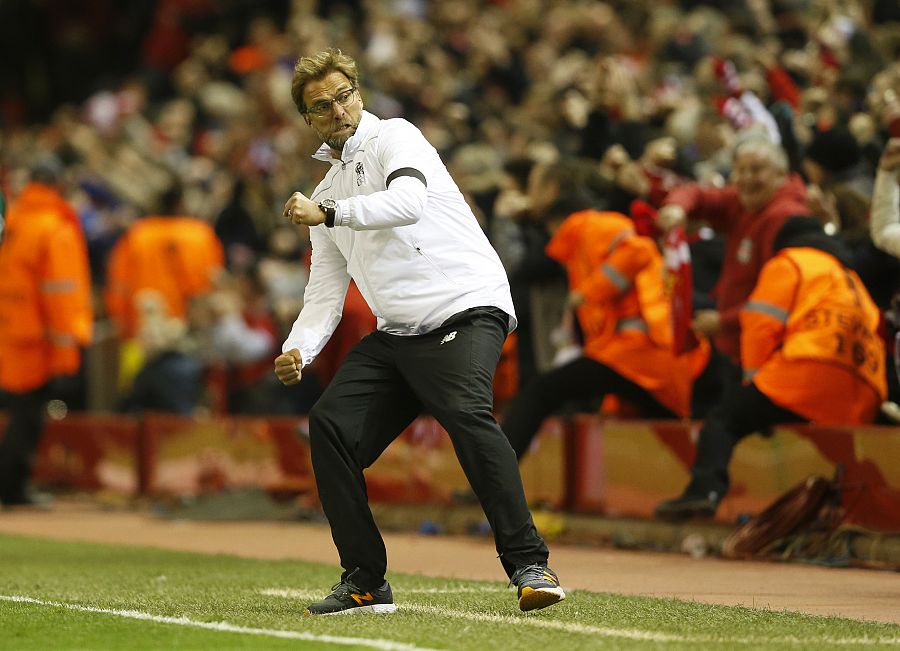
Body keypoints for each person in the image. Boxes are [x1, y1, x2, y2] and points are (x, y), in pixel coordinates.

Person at [273, 48, 564, 615]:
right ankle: (364, 579)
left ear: (359, 92)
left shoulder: (397, 138)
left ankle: (530, 563)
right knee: (330, 425)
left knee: (464, 411)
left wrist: (328, 215)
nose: (337, 110)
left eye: (343, 96)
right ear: (307, 120)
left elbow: (407, 203)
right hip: (401, 330)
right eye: (320, 106)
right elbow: (325, 294)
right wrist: (298, 348)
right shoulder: (325, 194)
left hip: (466, 304)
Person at [656, 217, 886, 521]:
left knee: (723, 420)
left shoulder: (790, 261)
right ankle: (875, 509)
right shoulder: (850, 278)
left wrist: (754, 381)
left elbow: (760, 322)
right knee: (842, 453)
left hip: (809, 369)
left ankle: (704, 492)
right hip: (865, 387)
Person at [501, 160, 698, 460]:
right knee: (666, 419)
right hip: (633, 354)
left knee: (540, 392)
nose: (526, 193)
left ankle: (490, 479)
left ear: (553, 190)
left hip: (636, 350)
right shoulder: (578, 234)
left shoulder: (594, 225)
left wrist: (589, 291)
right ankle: (707, 483)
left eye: (533, 185)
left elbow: (640, 251)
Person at [657, 137, 807, 401]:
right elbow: (699, 194)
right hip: (737, 345)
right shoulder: (745, 201)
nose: (747, 178)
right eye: (740, 170)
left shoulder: (784, 217)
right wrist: (676, 209)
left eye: (757, 169)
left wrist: (722, 321)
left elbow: (780, 297)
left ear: (781, 175)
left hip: (765, 351)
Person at [0, 160, 93, 506]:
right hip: (40, 337)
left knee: (20, 410)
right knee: (28, 414)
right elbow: (61, 293)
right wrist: (69, 346)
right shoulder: (54, 227)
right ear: (57, 183)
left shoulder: (13, 220)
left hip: (11, 329)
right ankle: (11, 487)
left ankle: (11, 485)